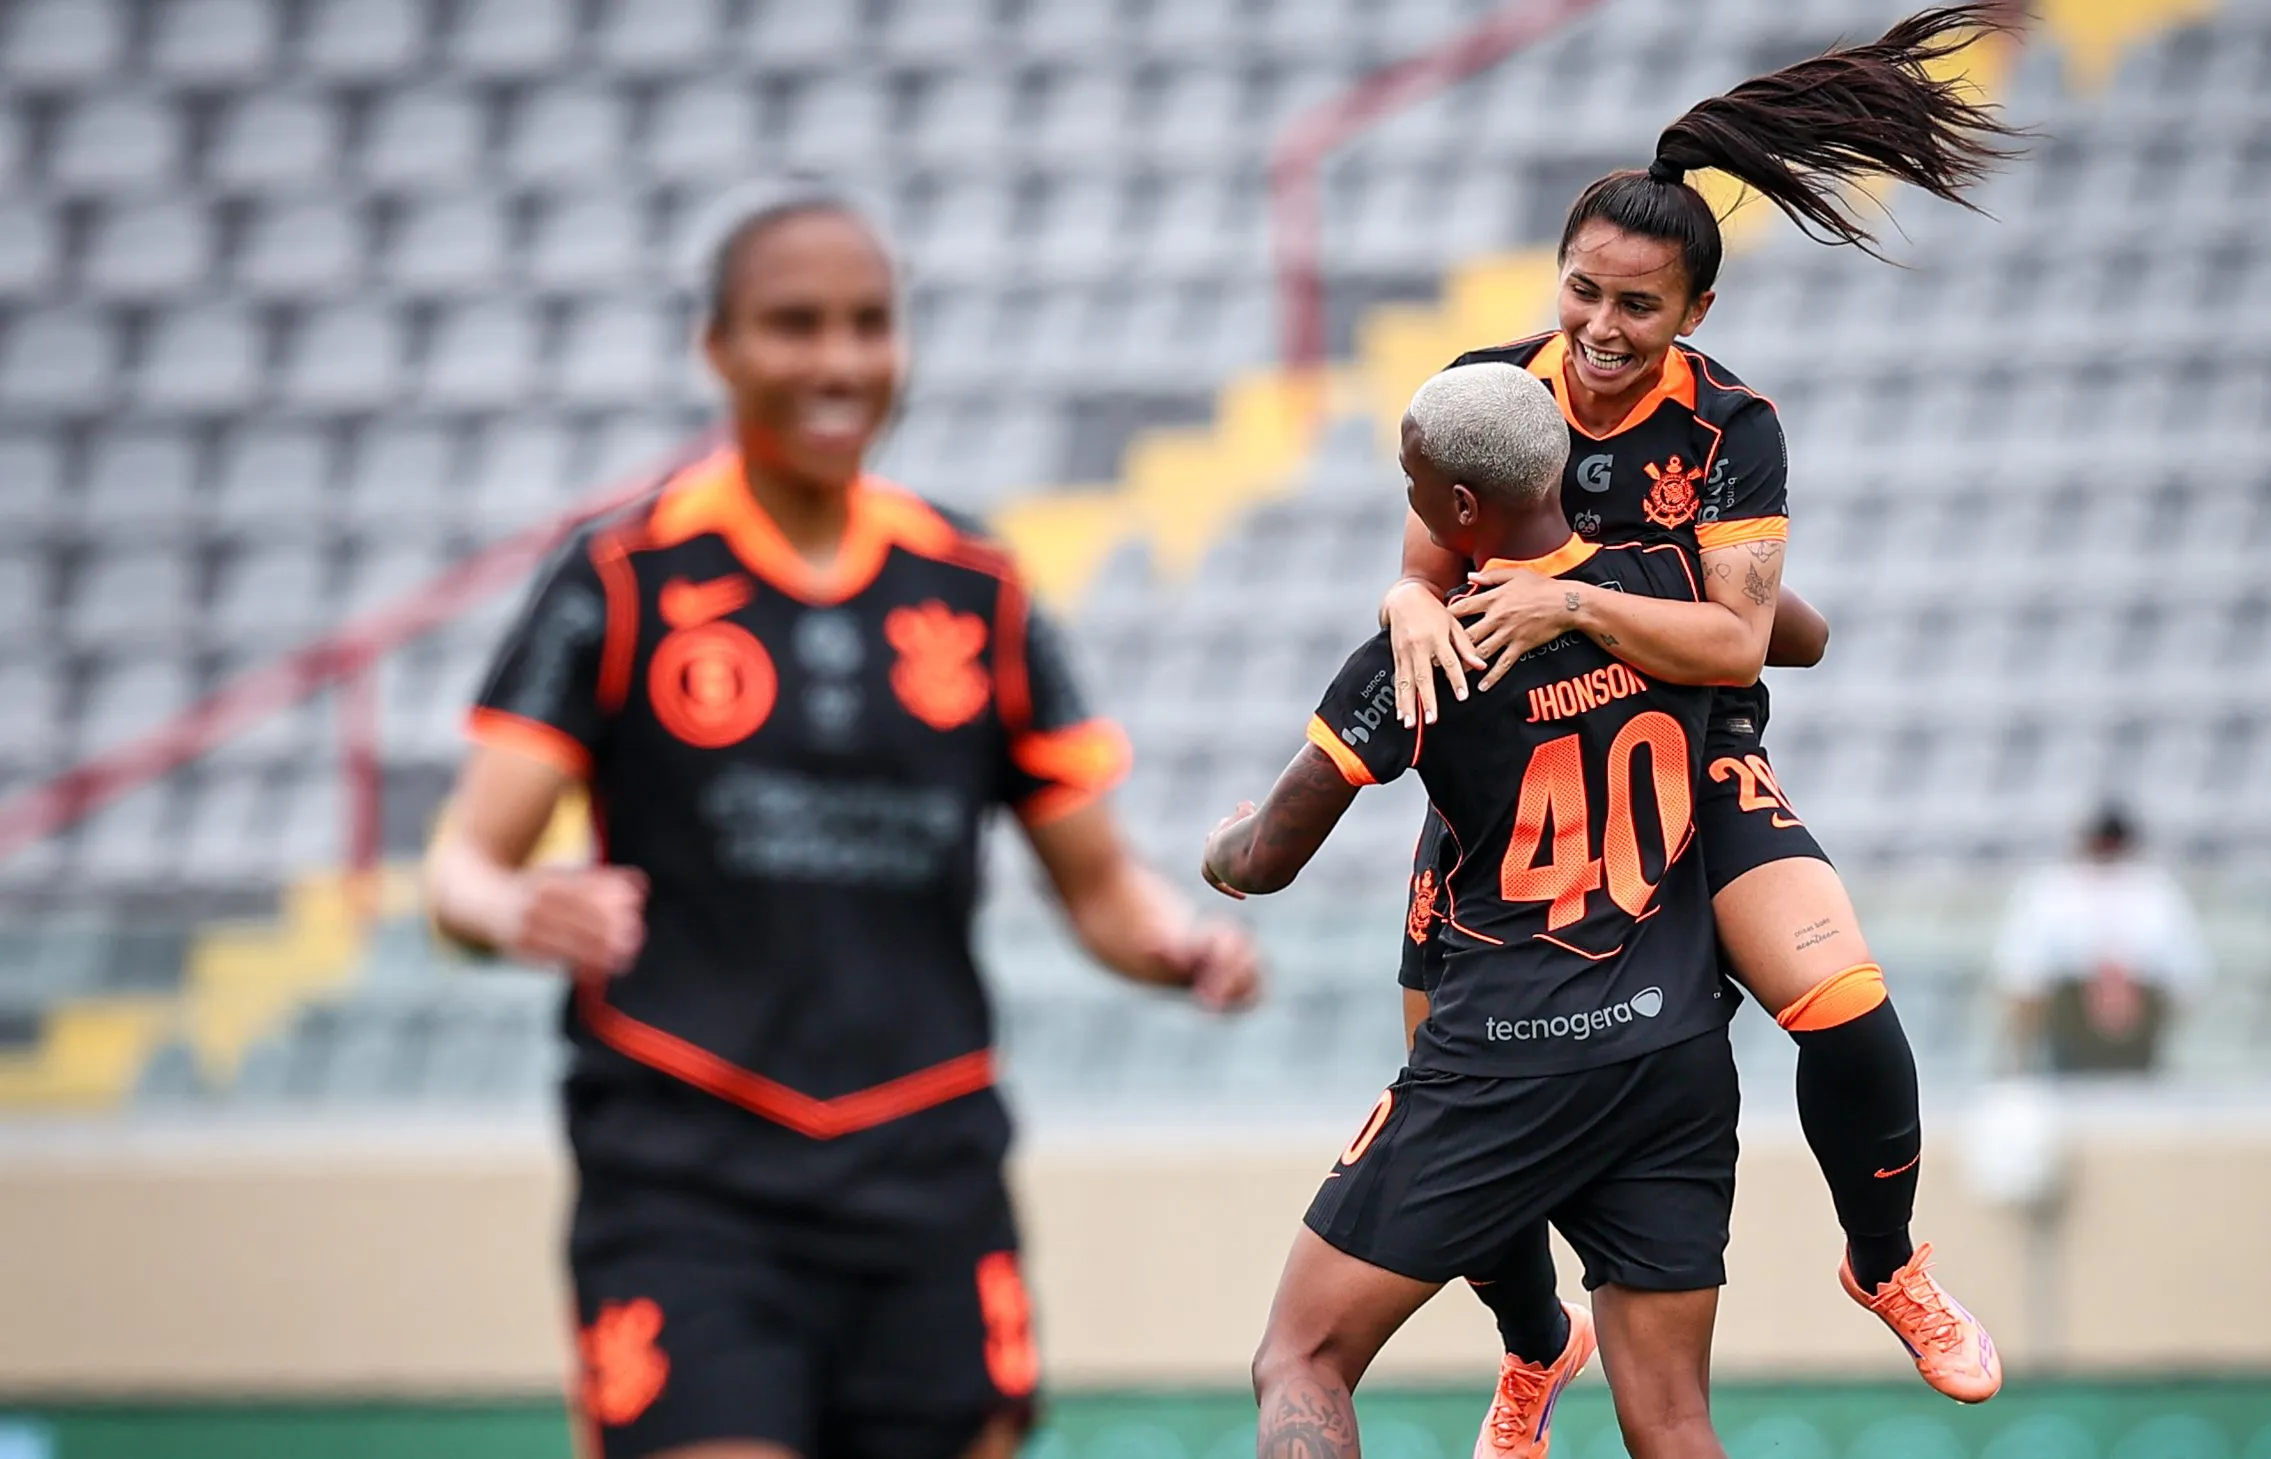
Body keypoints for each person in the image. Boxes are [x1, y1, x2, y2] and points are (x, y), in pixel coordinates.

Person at [425, 186, 1262, 1459]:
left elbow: (1098, 883)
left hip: (926, 1167)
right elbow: (460, 868)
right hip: (685, 1170)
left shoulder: (974, 588)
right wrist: (511, 907)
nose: (837, 361)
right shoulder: (621, 578)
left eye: (868, 324)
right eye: (794, 324)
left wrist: (1177, 942)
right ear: (720, 349)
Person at [1377, 6, 2025, 1439]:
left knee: (1845, 1005)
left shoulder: (1730, 427)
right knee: (1444, 1089)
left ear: (1695, 317)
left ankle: (1884, 1261)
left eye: (1637, 306)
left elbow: (1743, 640)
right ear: (1555, 276)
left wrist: (1576, 605)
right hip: (1506, 803)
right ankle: (1534, 1342)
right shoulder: (1491, 392)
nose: (1600, 330)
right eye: (1582, 292)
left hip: (1694, 762)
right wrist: (1413, 601)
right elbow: (1431, 559)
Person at [1207, 362, 1742, 1459]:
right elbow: (1791, 629)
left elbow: (1269, 858)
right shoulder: (1671, 584)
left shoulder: (1432, 644)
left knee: (1301, 1357)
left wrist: (1221, 850)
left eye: (1414, 489)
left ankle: (1532, 1337)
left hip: (1507, 1055)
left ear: (1458, 509)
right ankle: (1539, 1338)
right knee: (1676, 1420)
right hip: (1674, 1047)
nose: (1410, 514)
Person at [1994, 804, 2210, 1074]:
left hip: (2141, 1023)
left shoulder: (2155, 891)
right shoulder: (2052, 890)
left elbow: (2183, 979)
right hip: (2065, 1022)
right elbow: (2023, 978)